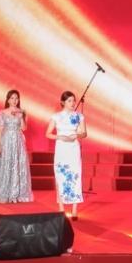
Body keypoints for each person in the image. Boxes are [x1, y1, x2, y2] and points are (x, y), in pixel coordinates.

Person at [45, 91, 86, 220]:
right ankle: (61, 208)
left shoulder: (79, 116)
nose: (72, 103)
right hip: (61, 148)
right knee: (61, 177)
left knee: (75, 176)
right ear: (63, 102)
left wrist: (77, 135)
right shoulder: (56, 117)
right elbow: (48, 133)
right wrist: (59, 137)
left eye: (74, 100)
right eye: (69, 101)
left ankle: (74, 209)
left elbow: (84, 133)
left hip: (73, 148)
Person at [0, 89, 34, 203]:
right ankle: (5, 193)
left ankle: (17, 194)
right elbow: (0, 130)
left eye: (16, 98)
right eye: (12, 98)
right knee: (6, 164)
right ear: (8, 100)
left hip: (18, 141)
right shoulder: (2, 112)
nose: (14, 100)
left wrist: (22, 116)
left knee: (18, 165)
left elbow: (24, 128)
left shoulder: (22, 112)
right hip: (6, 141)